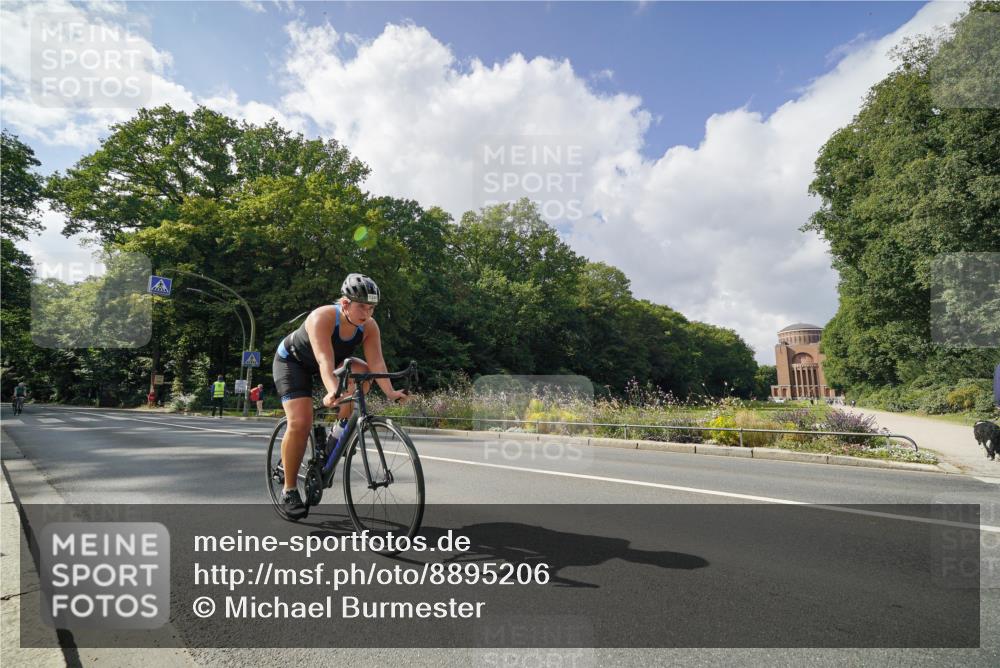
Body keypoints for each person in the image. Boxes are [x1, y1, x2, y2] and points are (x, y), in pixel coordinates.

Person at [272, 273, 412, 519]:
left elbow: (376, 362)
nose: (366, 314)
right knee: (301, 422)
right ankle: (289, 489)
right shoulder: (322, 317)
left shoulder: (369, 326)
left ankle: (336, 436)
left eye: (371, 308)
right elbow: (324, 361)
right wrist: (332, 391)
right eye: (361, 307)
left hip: (333, 363)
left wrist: (390, 392)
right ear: (345, 303)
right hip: (293, 362)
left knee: (364, 373)